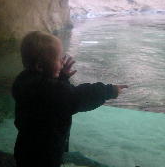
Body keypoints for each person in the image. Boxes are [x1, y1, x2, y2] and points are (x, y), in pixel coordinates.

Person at [12, 31, 128, 167]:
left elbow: (53, 95)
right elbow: (77, 97)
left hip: (26, 147)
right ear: (39, 66)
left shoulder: (24, 81)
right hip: (45, 153)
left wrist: (61, 77)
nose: (62, 61)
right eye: (58, 58)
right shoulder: (52, 92)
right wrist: (109, 91)